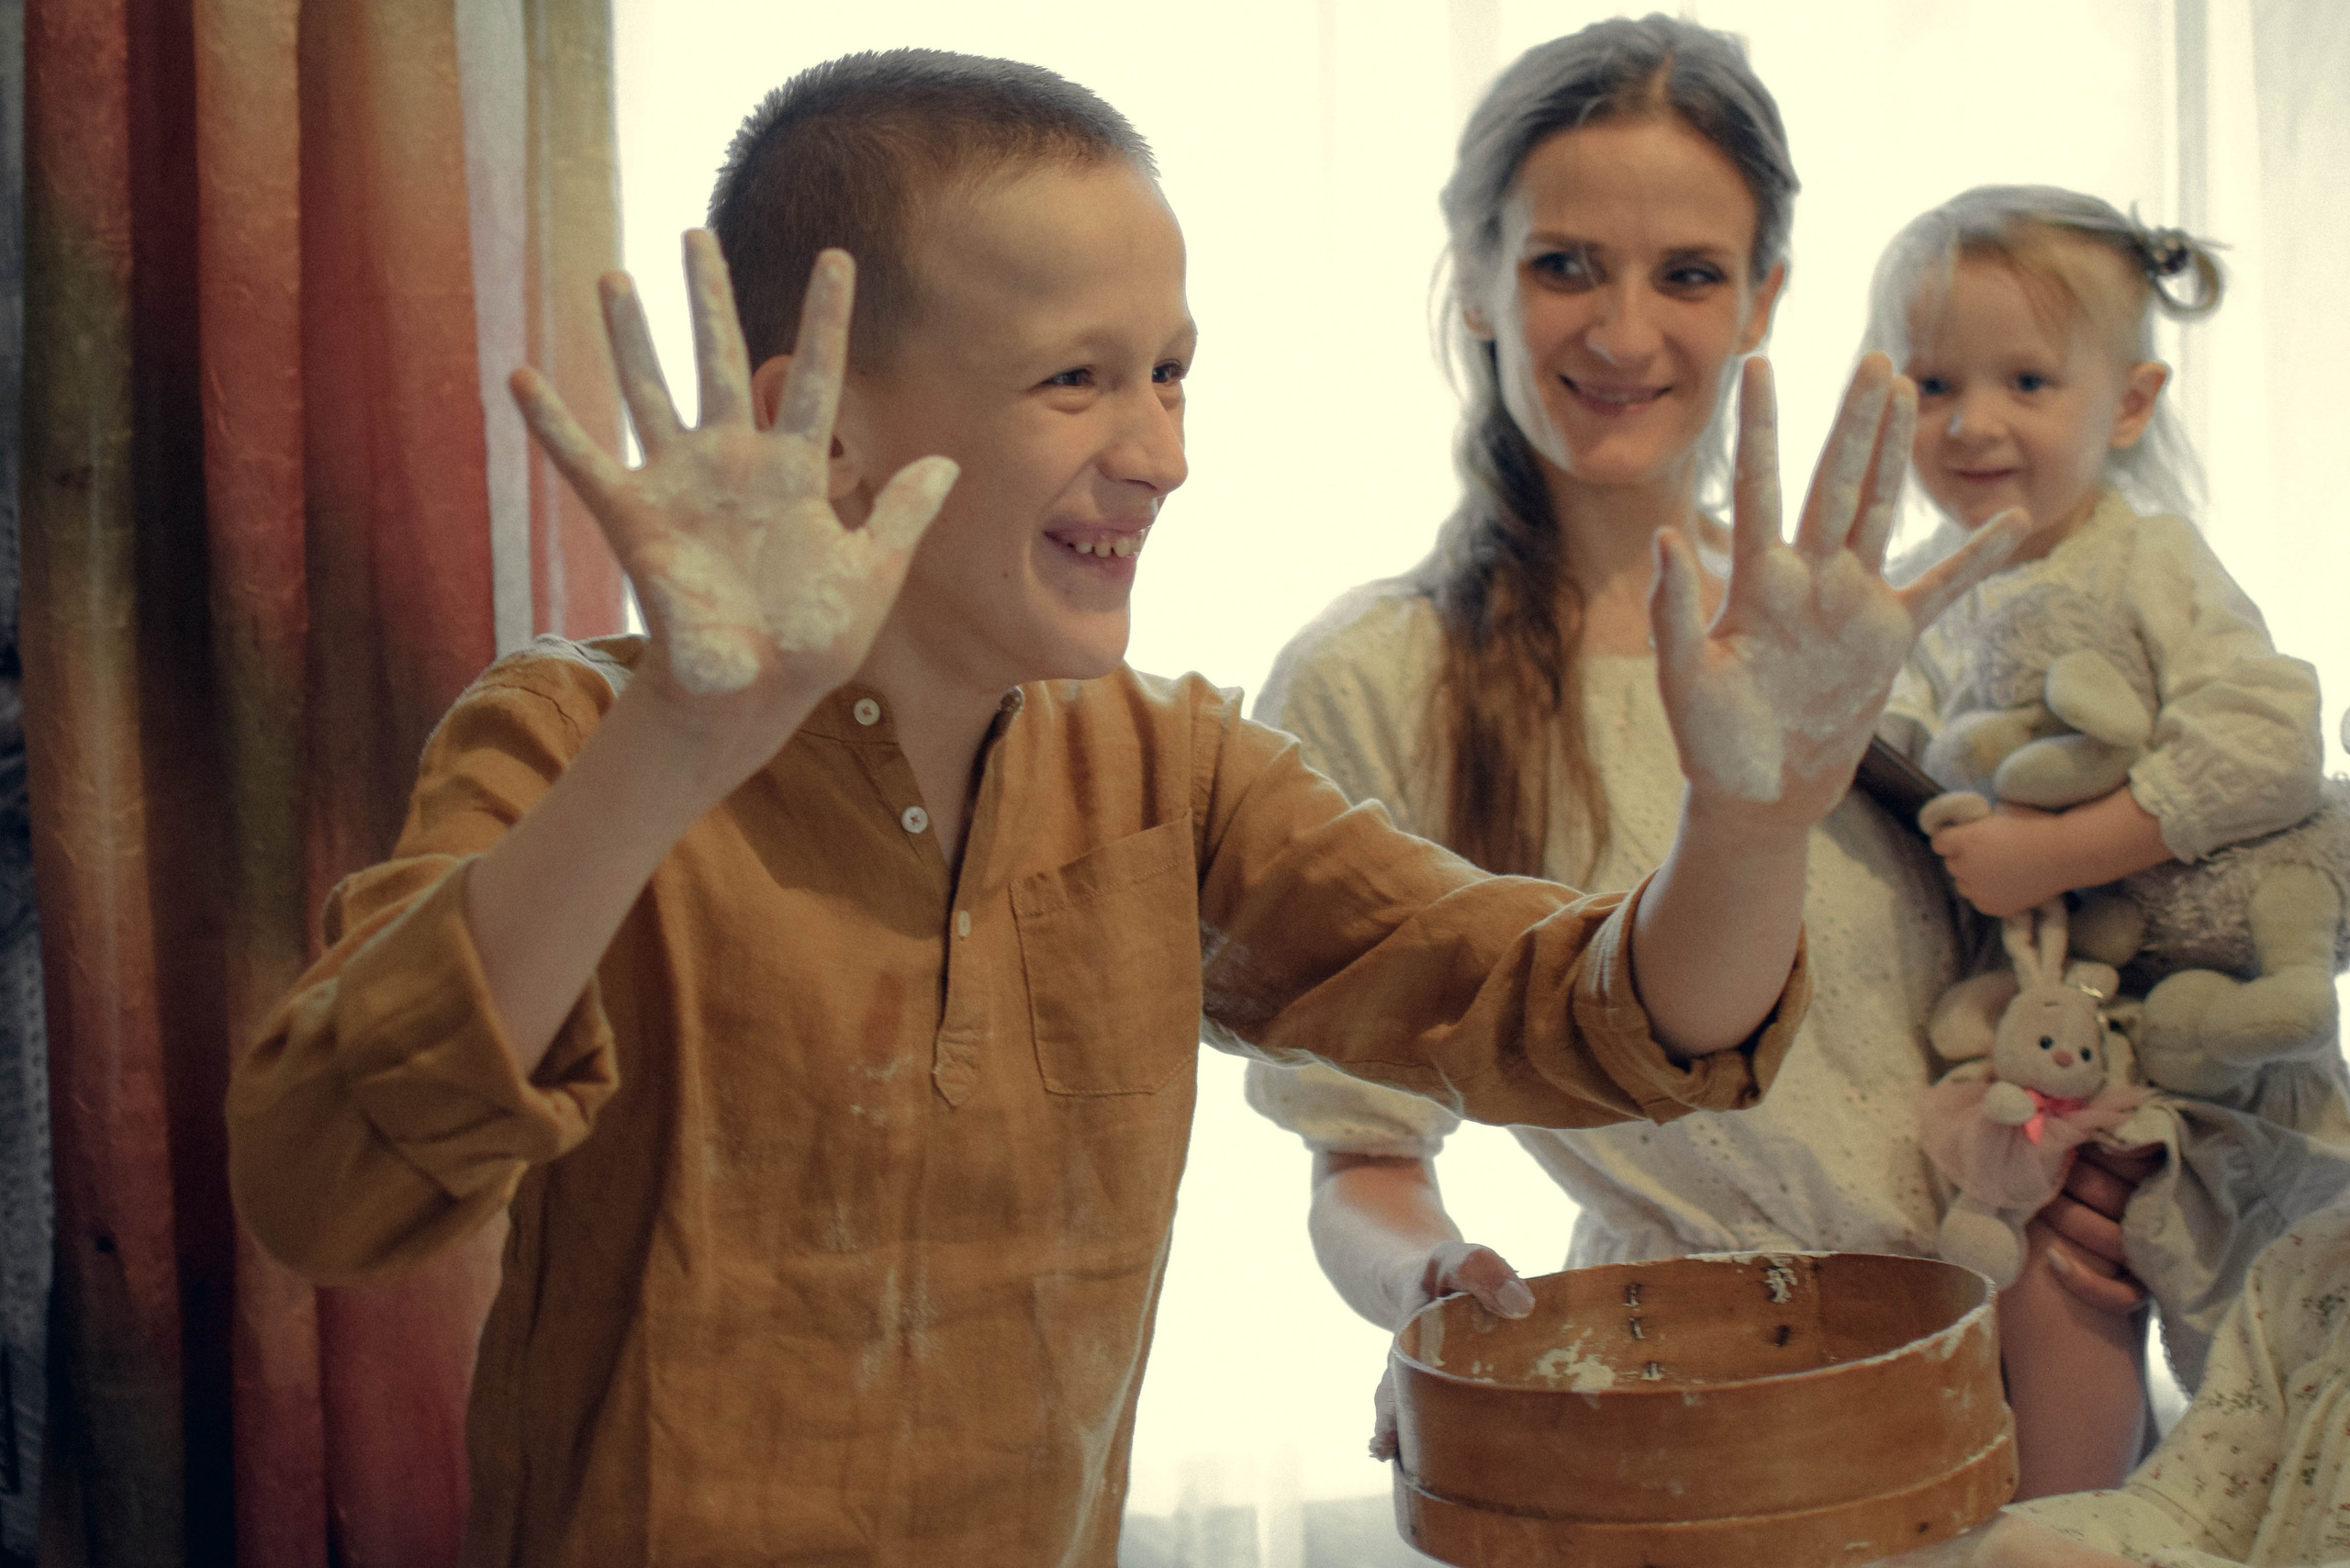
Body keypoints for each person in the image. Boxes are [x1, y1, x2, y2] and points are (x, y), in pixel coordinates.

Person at [221, 49, 2019, 1566]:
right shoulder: (568, 739)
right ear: (818, 417)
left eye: (1170, 372)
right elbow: (324, 1184)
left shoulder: (1170, 768)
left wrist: (1751, 821)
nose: (1159, 450)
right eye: (1078, 377)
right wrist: (683, 740)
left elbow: (1578, 1020)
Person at [1241, 14, 2146, 1473]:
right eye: (1562, 266)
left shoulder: (1872, 625)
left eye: (1689, 275)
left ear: (1766, 296)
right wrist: (1434, 1291)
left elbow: (2061, 987)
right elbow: (1360, 1154)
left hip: (2028, 1371)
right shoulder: (1378, 683)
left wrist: (2108, 1169)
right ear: (1476, 281)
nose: (1621, 332)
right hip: (1699, 1421)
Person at [1871, 185, 2350, 1496]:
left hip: (2209, 1038)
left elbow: (2270, 732)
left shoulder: (2147, 560)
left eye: (2027, 380)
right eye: (1931, 383)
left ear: (2127, 404)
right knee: (2035, 1271)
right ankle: (2075, 1523)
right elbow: (1897, 757)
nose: (1973, 423)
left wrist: (2066, 847)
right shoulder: (1923, 589)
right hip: (2053, 1040)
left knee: (2250, 1349)